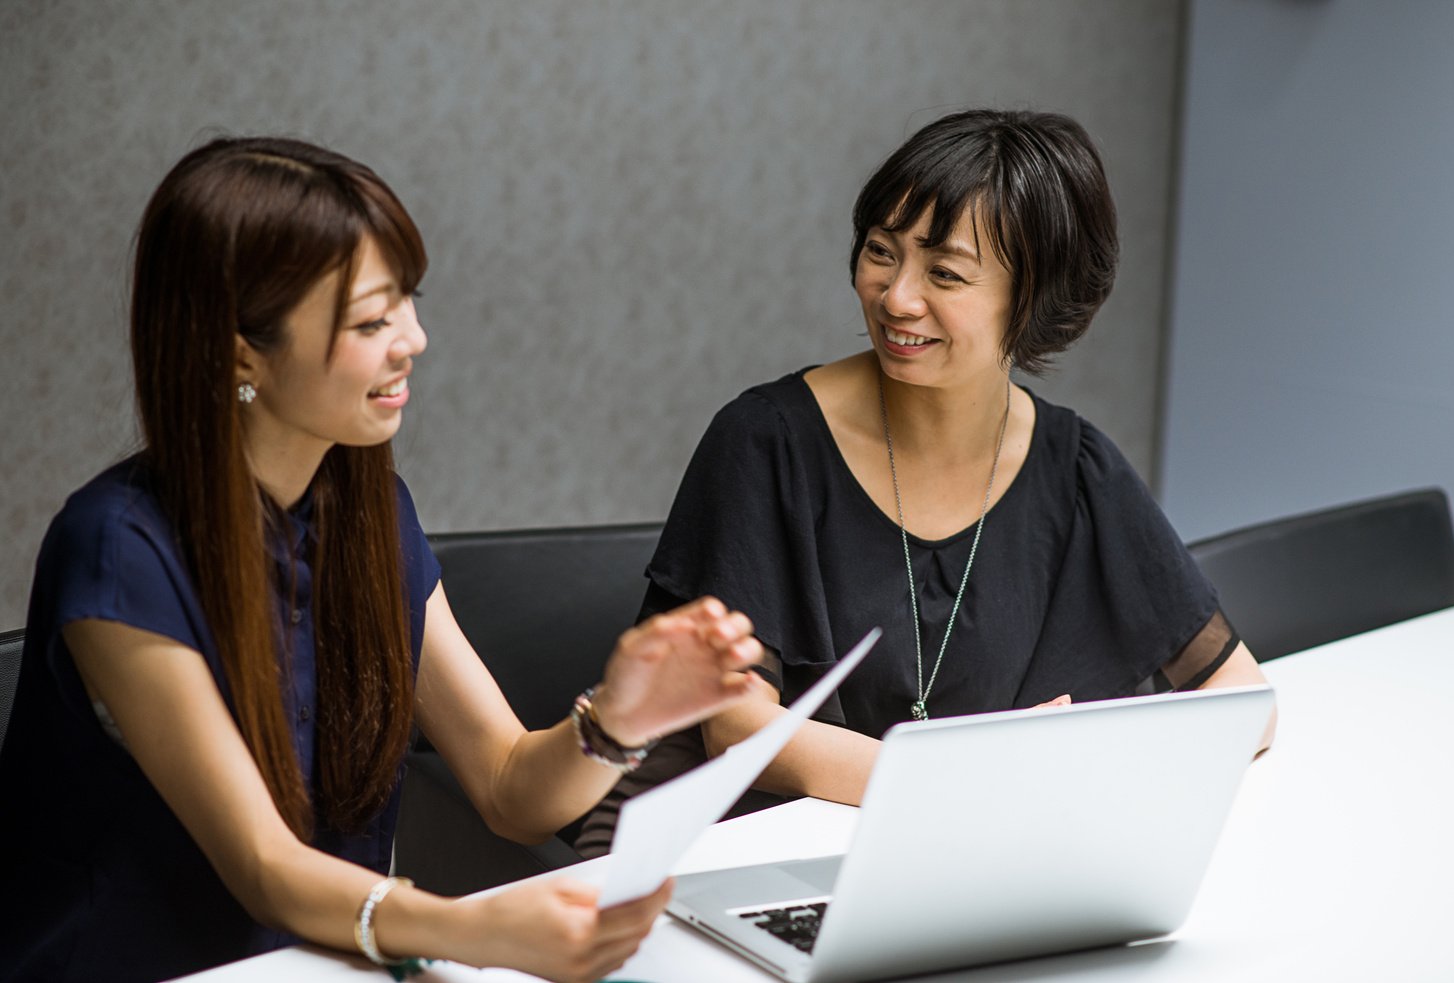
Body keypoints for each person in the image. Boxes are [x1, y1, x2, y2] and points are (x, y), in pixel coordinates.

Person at [0, 136, 764, 983]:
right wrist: (469, 933)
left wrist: (620, 718)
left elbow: (511, 788)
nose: (415, 341)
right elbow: (264, 868)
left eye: (407, 303)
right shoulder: (117, 549)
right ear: (242, 351)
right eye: (371, 321)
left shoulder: (371, 514)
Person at [578, 108, 1276, 856]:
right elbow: (739, 725)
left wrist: (1074, 774)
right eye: (881, 252)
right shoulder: (766, 441)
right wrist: (974, 783)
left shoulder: (1075, 468)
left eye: (944, 273)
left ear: (1034, 300)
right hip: (715, 856)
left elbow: (1244, 701)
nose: (896, 296)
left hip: (935, 854)